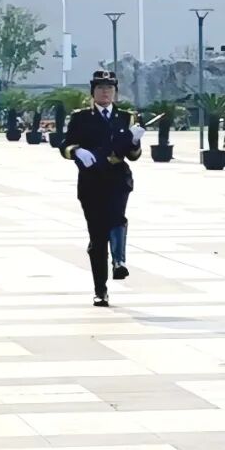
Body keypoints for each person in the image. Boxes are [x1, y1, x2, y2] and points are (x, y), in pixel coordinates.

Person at [60, 70, 145, 307]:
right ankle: (100, 289)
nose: (105, 92)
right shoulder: (81, 118)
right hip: (91, 182)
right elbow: (65, 145)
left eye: (109, 88)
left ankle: (119, 261)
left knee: (117, 218)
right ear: (93, 92)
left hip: (118, 180)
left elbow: (133, 155)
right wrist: (77, 151)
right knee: (97, 237)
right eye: (100, 88)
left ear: (115, 92)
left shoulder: (126, 118)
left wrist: (134, 141)